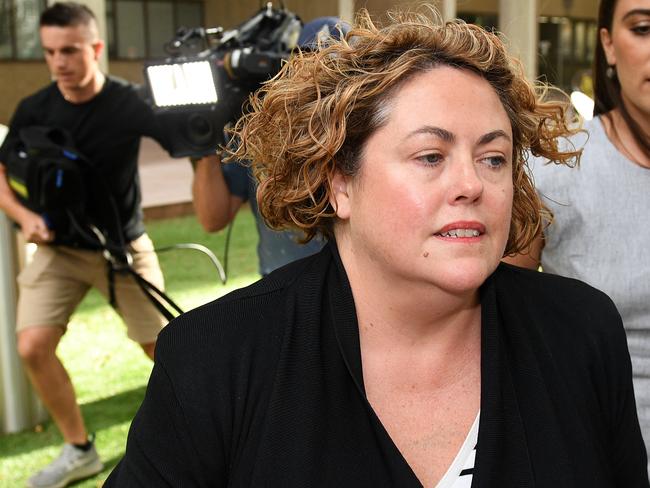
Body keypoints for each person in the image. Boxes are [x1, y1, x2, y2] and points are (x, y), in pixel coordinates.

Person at [106, 7, 649, 486]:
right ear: (339, 181)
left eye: (494, 158)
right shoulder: (215, 362)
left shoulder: (581, 334)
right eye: (431, 156)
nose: (472, 184)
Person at [0, 3, 172, 487]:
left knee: (165, 350)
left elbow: (186, 139)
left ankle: (195, 439)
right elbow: (1, 173)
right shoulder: (34, 108)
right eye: (51, 52)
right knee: (32, 345)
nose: (60, 62)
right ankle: (79, 450)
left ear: (95, 48)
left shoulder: (129, 102)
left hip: (122, 248)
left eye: (70, 51)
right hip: (59, 252)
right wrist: (26, 216)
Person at [505, 0, 650, 461]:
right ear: (608, 44)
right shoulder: (556, 169)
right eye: (643, 28)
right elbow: (497, 332)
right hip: (596, 455)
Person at [190, 18, 347, 276]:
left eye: (337, 66)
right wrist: (207, 143)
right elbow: (212, 218)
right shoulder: (262, 131)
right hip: (283, 291)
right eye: (309, 63)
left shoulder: (376, 133)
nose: (323, 80)